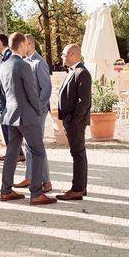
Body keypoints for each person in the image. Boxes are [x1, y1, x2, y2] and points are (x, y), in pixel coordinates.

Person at [0, 33, 56, 206]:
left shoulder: (4, 65)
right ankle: (36, 193)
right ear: (22, 44)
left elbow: (3, 91)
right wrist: (38, 110)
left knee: (12, 152)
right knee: (38, 151)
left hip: (10, 114)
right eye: (25, 45)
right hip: (26, 114)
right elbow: (31, 91)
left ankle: (5, 190)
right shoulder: (23, 65)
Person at [14, 34, 52, 192]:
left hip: (38, 112)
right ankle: (29, 177)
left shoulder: (39, 63)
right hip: (27, 111)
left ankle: (47, 181)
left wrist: (38, 109)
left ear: (28, 44)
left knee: (37, 146)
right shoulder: (23, 62)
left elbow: (46, 89)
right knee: (28, 145)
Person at [56, 44, 92, 201]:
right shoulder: (73, 71)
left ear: (71, 54)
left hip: (75, 122)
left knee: (77, 154)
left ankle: (77, 189)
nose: (61, 57)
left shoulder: (82, 73)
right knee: (78, 153)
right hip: (71, 120)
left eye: (63, 54)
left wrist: (73, 120)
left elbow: (84, 101)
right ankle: (80, 186)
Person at [0, 33, 24, 162]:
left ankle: (16, 153)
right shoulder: (4, 56)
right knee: (5, 125)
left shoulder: (9, 56)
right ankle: (16, 152)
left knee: (7, 126)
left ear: (0, 42)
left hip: (8, 99)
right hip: (4, 98)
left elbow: (9, 76)